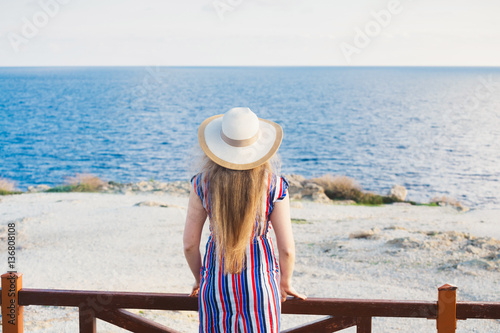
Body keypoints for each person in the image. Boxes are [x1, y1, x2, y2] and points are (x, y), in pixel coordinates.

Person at [183, 107, 305, 332]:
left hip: (215, 289)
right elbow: (286, 248)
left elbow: (190, 245)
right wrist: (285, 282)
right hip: (261, 288)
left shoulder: (202, 184)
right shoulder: (275, 186)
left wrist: (201, 279)